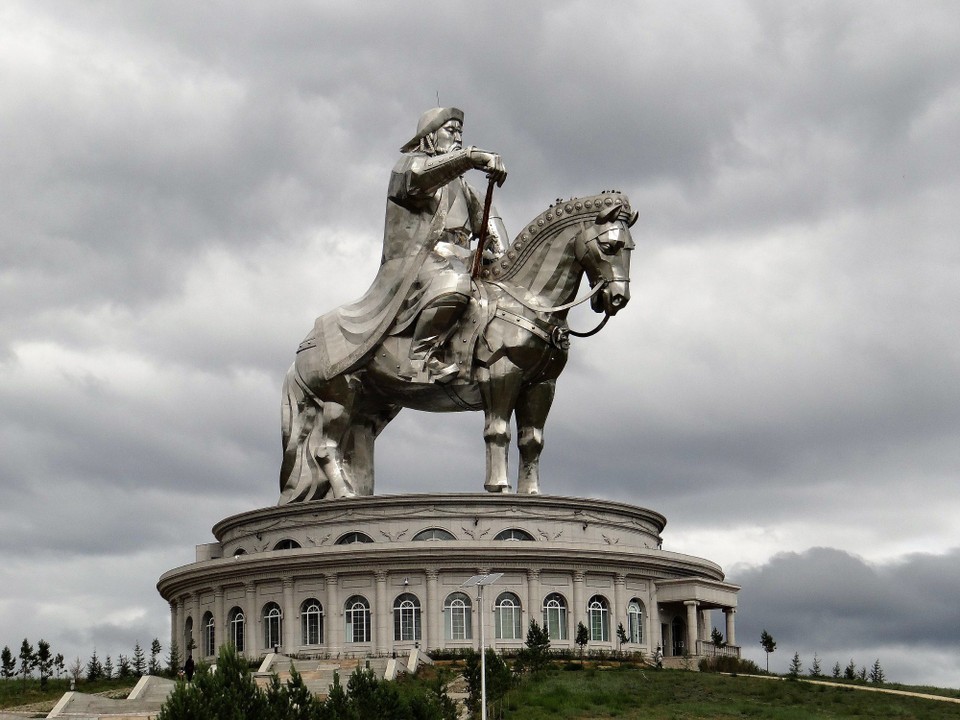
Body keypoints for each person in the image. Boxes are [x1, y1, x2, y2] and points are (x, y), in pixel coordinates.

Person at [295, 107, 508, 385]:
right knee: (454, 283)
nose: (457, 136)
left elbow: (492, 228)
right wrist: (469, 157)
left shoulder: (467, 190)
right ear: (430, 136)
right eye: (451, 130)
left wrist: (504, 258)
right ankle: (420, 356)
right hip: (422, 261)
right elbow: (421, 180)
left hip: (466, 258)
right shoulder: (408, 167)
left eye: (460, 132)